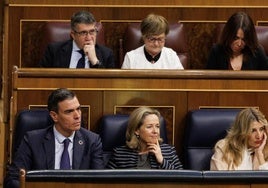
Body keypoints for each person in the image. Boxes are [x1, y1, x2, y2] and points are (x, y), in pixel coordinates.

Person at [4, 88, 104, 188]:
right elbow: (13, 179)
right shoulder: (32, 140)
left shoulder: (92, 141)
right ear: (54, 116)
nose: (77, 116)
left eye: (78, 109)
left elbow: (100, 182)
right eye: (69, 111)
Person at [106, 106, 183, 169]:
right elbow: (106, 182)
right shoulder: (120, 154)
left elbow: (182, 181)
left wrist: (162, 161)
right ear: (137, 130)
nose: (155, 131)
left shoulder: (169, 151)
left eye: (157, 126)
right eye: (149, 127)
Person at [39, 10, 115, 68]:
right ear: (73, 34)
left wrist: (95, 61)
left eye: (92, 31)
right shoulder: (54, 51)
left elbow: (108, 84)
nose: (89, 38)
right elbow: (42, 78)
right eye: (83, 33)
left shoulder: (107, 54)